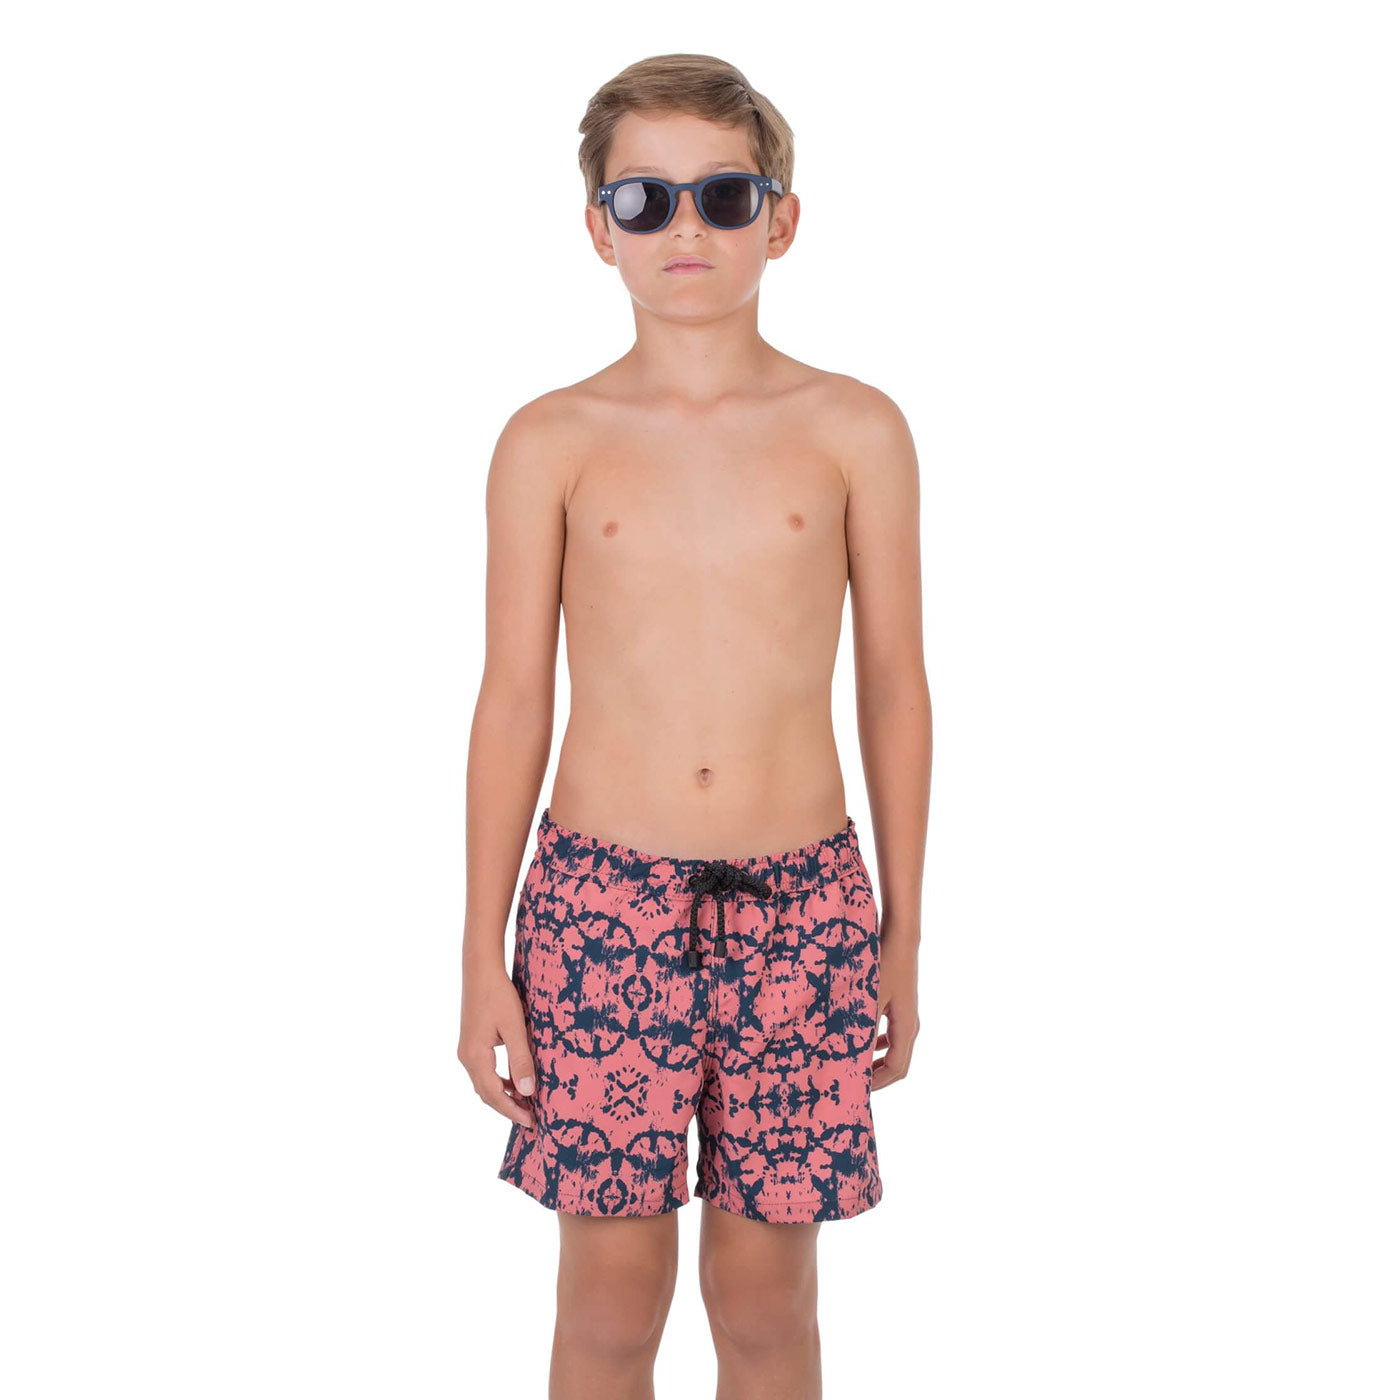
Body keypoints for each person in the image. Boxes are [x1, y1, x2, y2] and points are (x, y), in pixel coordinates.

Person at [458, 52, 930, 1399]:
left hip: (804, 906)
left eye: (724, 196)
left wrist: (903, 931)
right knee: (609, 1301)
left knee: (768, 1301)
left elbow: (895, 685)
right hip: (599, 905)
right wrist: (483, 951)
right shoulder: (551, 440)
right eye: (646, 199)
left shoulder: (855, 429)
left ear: (781, 220)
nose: (686, 229)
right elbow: (512, 697)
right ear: (596, 227)